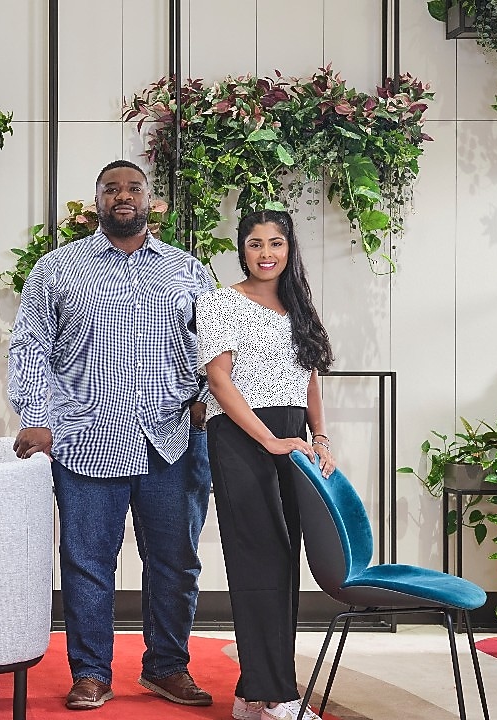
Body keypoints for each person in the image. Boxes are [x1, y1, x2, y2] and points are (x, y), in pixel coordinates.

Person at [7, 160, 216, 710]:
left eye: (133, 188)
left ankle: (167, 667)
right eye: (111, 189)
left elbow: (217, 347)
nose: (123, 196)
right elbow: (29, 346)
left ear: (152, 200)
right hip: (84, 441)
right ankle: (91, 672)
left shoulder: (188, 271)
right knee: (86, 561)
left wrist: (205, 400)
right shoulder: (57, 268)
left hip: (169, 441)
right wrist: (38, 416)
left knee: (175, 561)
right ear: (95, 200)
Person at [197, 210, 335, 720]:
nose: (266, 254)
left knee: (282, 562)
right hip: (240, 435)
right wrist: (271, 440)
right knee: (258, 562)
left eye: (275, 243)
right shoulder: (220, 303)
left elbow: (310, 378)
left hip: (292, 438)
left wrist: (317, 436)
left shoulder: (299, 304)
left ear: (289, 247)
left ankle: (253, 691)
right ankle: (277, 695)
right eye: (255, 244)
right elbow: (219, 381)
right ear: (242, 249)